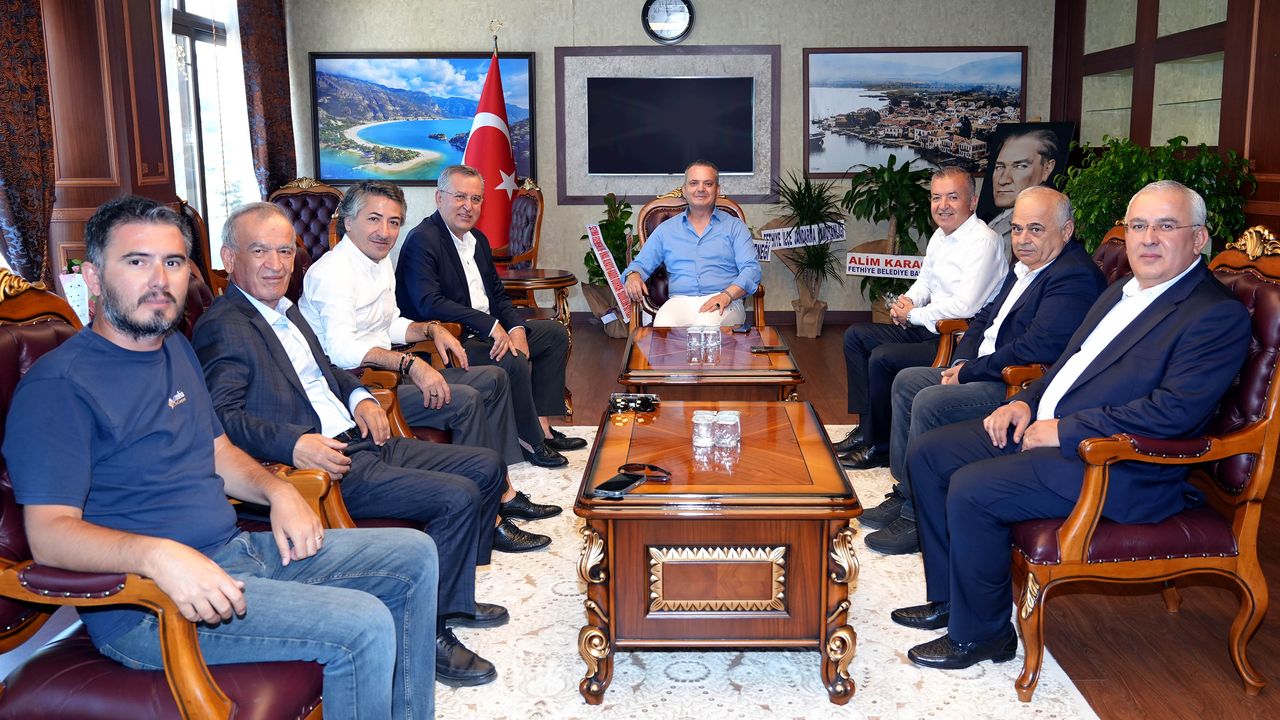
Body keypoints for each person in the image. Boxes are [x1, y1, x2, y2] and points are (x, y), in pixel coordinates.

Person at [2, 195, 438, 717]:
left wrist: (277, 491)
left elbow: (219, 451)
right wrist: (158, 556)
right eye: (137, 261)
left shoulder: (174, 347)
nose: (159, 280)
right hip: (150, 602)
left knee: (415, 555)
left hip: (233, 552)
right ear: (94, 277)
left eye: (173, 262)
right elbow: (49, 535)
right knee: (363, 624)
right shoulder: (59, 386)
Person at [893, 181, 1250, 670]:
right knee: (930, 453)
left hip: (1118, 463)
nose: (1148, 238)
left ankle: (982, 636)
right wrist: (1027, 403)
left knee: (972, 487)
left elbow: (1172, 413)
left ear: (1199, 238)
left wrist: (1064, 429)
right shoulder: (1120, 290)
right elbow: (1067, 363)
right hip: (1054, 432)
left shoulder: (1214, 315)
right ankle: (952, 601)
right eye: (1138, 226)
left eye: (1166, 226)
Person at [193, 202, 550, 686]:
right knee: (457, 495)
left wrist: (359, 396)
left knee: (486, 466)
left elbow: (325, 370)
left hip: (361, 434)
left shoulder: (284, 309)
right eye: (260, 251)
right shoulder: (225, 325)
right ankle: (428, 636)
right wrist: (295, 442)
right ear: (229, 257)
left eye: (284, 251)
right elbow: (223, 418)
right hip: (328, 461)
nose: (275, 264)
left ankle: (450, 600)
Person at [861, 187, 1106, 555]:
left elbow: (1035, 347)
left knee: (930, 400)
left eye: (1035, 229)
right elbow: (984, 316)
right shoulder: (1026, 266)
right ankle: (907, 490)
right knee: (907, 381)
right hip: (982, 367)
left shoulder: (1073, 277)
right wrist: (961, 362)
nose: (1022, 239)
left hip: (1016, 383)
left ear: (1066, 231)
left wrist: (970, 372)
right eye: (1018, 229)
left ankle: (917, 517)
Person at [300, 179, 570, 472]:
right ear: (349, 222)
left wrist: (430, 329)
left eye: (393, 222)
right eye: (374, 219)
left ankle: (502, 474)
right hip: (357, 387)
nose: (385, 232)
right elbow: (340, 351)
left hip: (388, 371)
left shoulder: (379, 261)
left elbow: (389, 324)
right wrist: (410, 364)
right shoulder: (332, 273)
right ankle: (482, 479)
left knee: (495, 377)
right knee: (469, 395)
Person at [396, 165, 587, 457]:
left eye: (476, 199)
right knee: (511, 358)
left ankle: (542, 427)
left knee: (553, 334)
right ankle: (529, 441)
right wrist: (491, 325)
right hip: (449, 343)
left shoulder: (478, 240)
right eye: (460, 197)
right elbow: (429, 303)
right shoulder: (423, 240)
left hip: (482, 333)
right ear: (439, 198)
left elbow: (497, 295)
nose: (468, 206)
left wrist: (516, 328)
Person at [836, 167, 1007, 469]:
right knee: (856, 337)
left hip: (958, 339)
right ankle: (867, 429)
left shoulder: (984, 241)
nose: (943, 206)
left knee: (883, 358)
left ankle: (881, 447)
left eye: (952, 197)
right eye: (936, 198)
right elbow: (925, 282)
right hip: (929, 326)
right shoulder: (941, 235)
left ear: (972, 201)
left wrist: (913, 315)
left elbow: (965, 307)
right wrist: (907, 302)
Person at [621, 159, 762, 327]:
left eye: (708, 184)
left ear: (717, 190)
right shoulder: (666, 230)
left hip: (725, 301)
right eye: (694, 183)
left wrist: (727, 295)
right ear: (684, 190)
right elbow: (640, 265)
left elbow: (752, 270)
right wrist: (633, 275)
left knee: (705, 327)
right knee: (662, 327)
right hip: (679, 302)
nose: (700, 189)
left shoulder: (735, 227)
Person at [986, 128, 1059, 241]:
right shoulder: (999, 218)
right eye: (999, 167)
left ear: (1047, 168)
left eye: (1020, 166)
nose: (1003, 180)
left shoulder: (1045, 222)